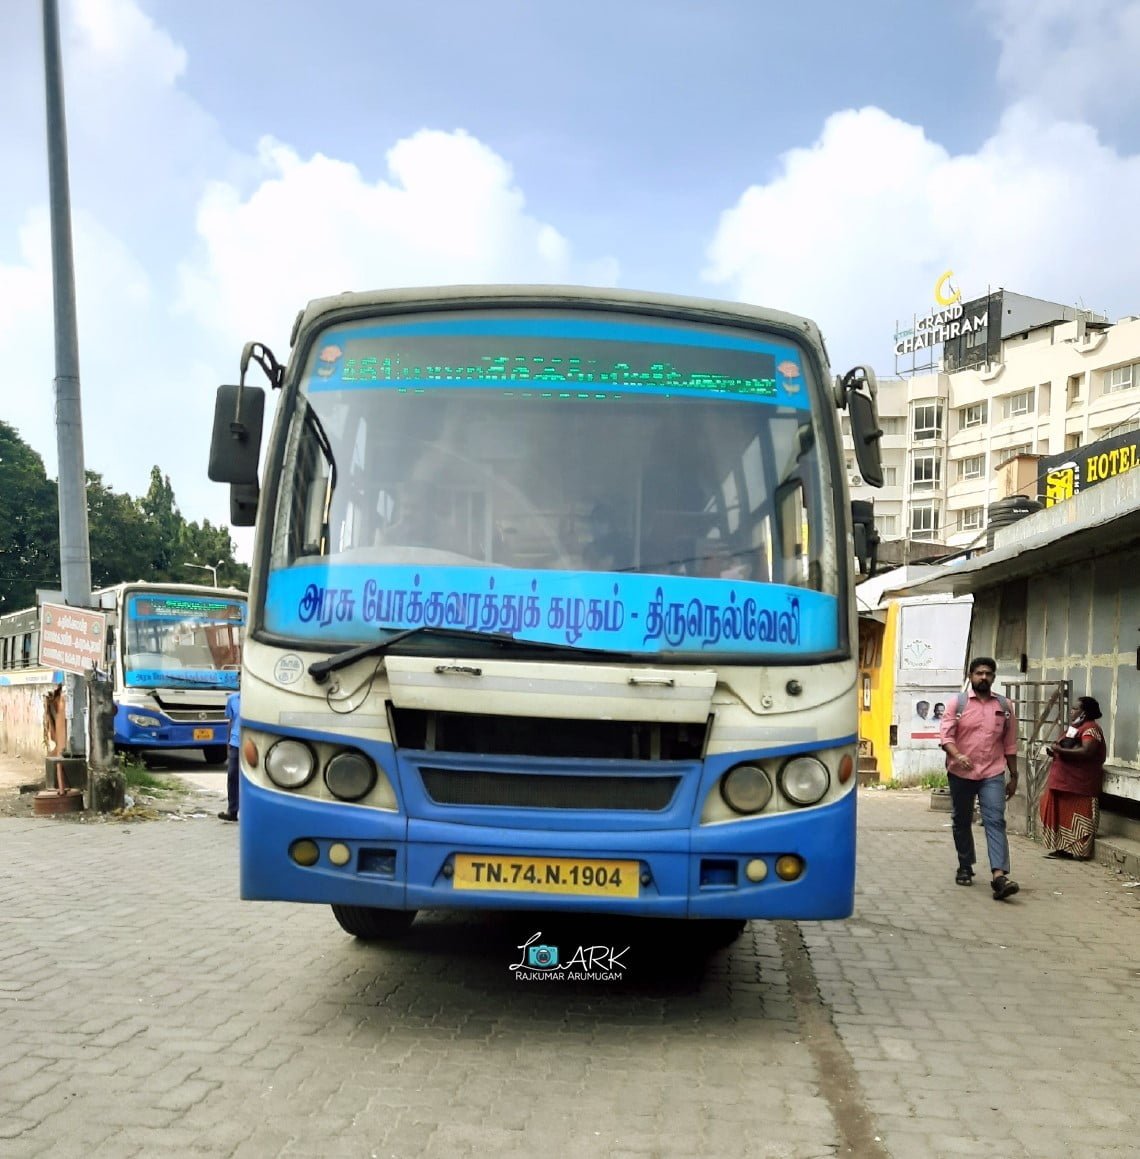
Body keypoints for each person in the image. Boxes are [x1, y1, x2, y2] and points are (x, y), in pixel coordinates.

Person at [938, 657, 1020, 899]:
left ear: (994, 677)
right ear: (971, 676)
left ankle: (999, 876)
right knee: (962, 820)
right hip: (960, 772)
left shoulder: (1004, 705)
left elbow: (1010, 743)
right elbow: (946, 736)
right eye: (979, 673)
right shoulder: (958, 703)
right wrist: (958, 755)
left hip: (992, 773)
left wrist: (1014, 775)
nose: (984, 677)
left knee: (995, 820)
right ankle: (965, 865)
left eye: (988, 674)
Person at [1040, 696, 1106, 861]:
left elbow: (1086, 751)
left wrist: (1060, 751)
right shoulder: (1075, 727)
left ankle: (1079, 851)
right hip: (1063, 781)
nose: (1071, 711)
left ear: (1084, 712)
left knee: (1080, 814)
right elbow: (1065, 746)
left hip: (1079, 782)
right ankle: (1063, 849)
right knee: (1061, 814)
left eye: (1075, 708)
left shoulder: (1091, 729)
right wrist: (1055, 751)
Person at [218, 683, 241, 822]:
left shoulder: (259, 700)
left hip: (253, 744)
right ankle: (232, 811)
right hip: (235, 743)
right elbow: (231, 721)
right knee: (232, 776)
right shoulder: (233, 699)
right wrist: (228, 743)